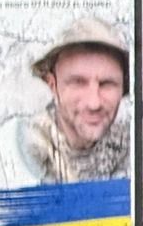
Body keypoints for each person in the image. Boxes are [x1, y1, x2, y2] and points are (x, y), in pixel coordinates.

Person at [20, 17, 131, 185]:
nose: (94, 103)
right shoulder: (33, 144)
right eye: (78, 83)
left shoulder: (131, 141)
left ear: (123, 88)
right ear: (53, 85)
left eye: (107, 84)